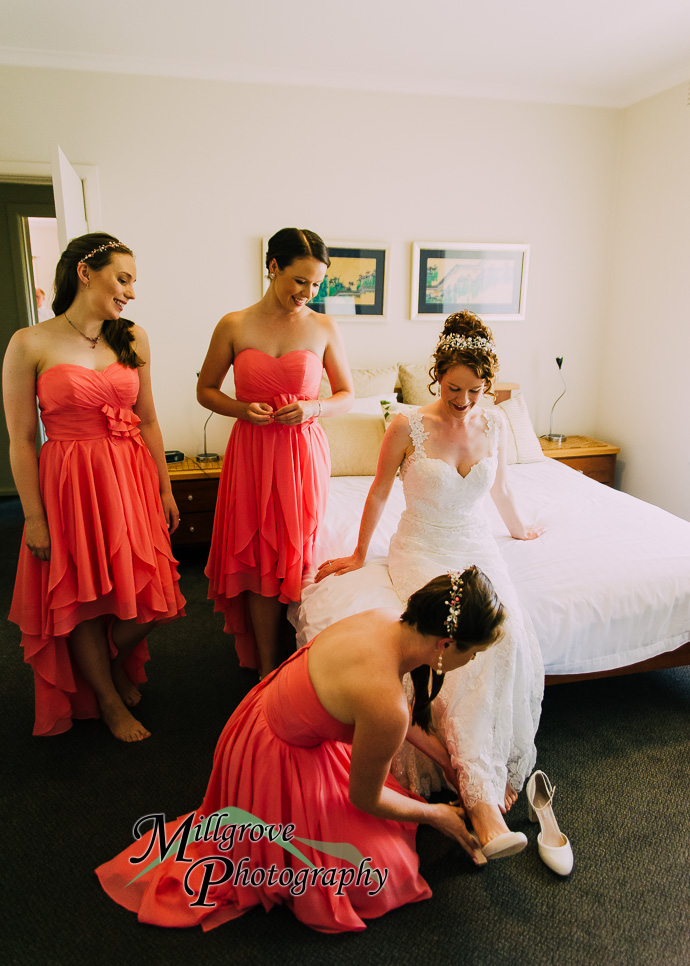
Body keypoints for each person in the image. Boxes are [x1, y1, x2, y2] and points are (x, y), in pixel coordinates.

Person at [95, 568, 505, 933]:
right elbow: (364, 796)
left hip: (256, 721)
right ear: (445, 645)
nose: (470, 662)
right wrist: (437, 816)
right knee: (385, 872)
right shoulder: (387, 706)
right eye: (472, 653)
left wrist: (444, 760)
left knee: (392, 826)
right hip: (273, 759)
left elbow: (384, 712)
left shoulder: (385, 621)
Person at [314, 310, 545, 856]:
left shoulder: (494, 424)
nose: (462, 400)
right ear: (437, 375)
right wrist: (355, 553)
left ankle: (478, 776)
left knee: (501, 636)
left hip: (476, 546)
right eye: (452, 387)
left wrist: (520, 530)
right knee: (452, 636)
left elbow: (502, 491)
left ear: (487, 385)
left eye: (473, 390)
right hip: (422, 548)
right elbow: (375, 493)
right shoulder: (406, 426)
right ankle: (481, 800)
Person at [3, 232, 185, 742]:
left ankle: (104, 662)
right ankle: (107, 700)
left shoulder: (132, 336)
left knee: (156, 597)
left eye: (133, 282)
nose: (130, 291)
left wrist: (164, 489)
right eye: (122, 278)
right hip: (69, 483)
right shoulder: (29, 342)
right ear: (86, 273)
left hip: (129, 476)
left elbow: (147, 420)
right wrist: (34, 517)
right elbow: (20, 440)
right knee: (84, 595)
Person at [198, 228, 354, 679]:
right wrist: (240, 408)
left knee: (298, 551)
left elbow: (346, 393)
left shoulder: (323, 326)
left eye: (317, 284)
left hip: (301, 452)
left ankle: (303, 658)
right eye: (300, 280)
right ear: (273, 268)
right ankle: (267, 666)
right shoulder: (234, 324)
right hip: (251, 451)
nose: (308, 292)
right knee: (259, 556)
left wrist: (313, 407)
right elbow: (205, 390)